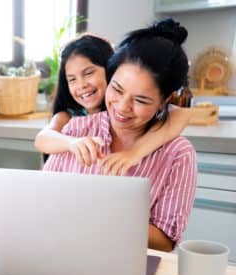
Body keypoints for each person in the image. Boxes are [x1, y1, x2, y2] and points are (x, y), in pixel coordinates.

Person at [42, 18, 197, 252]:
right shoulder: (75, 129)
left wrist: (98, 220)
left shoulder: (178, 154)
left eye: (141, 100)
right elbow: (42, 204)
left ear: (164, 101)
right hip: (63, 253)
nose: (122, 108)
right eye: (117, 89)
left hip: (126, 265)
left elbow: (164, 241)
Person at [35, 33, 191, 175]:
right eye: (72, 79)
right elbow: (42, 138)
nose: (81, 85)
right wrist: (71, 142)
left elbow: (181, 115)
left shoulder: (125, 113)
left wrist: (135, 152)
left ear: (109, 70)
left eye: (89, 73)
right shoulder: (71, 122)